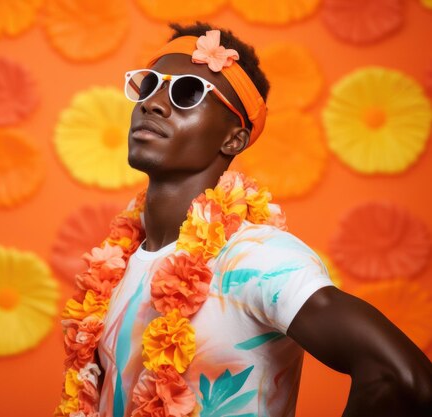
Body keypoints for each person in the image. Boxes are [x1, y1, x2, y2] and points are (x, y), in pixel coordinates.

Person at [56, 22, 432, 417]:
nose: (153, 103)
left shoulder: (257, 259)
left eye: (188, 93)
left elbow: (400, 377)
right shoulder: (116, 266)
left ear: (232, 139)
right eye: (149, 85)